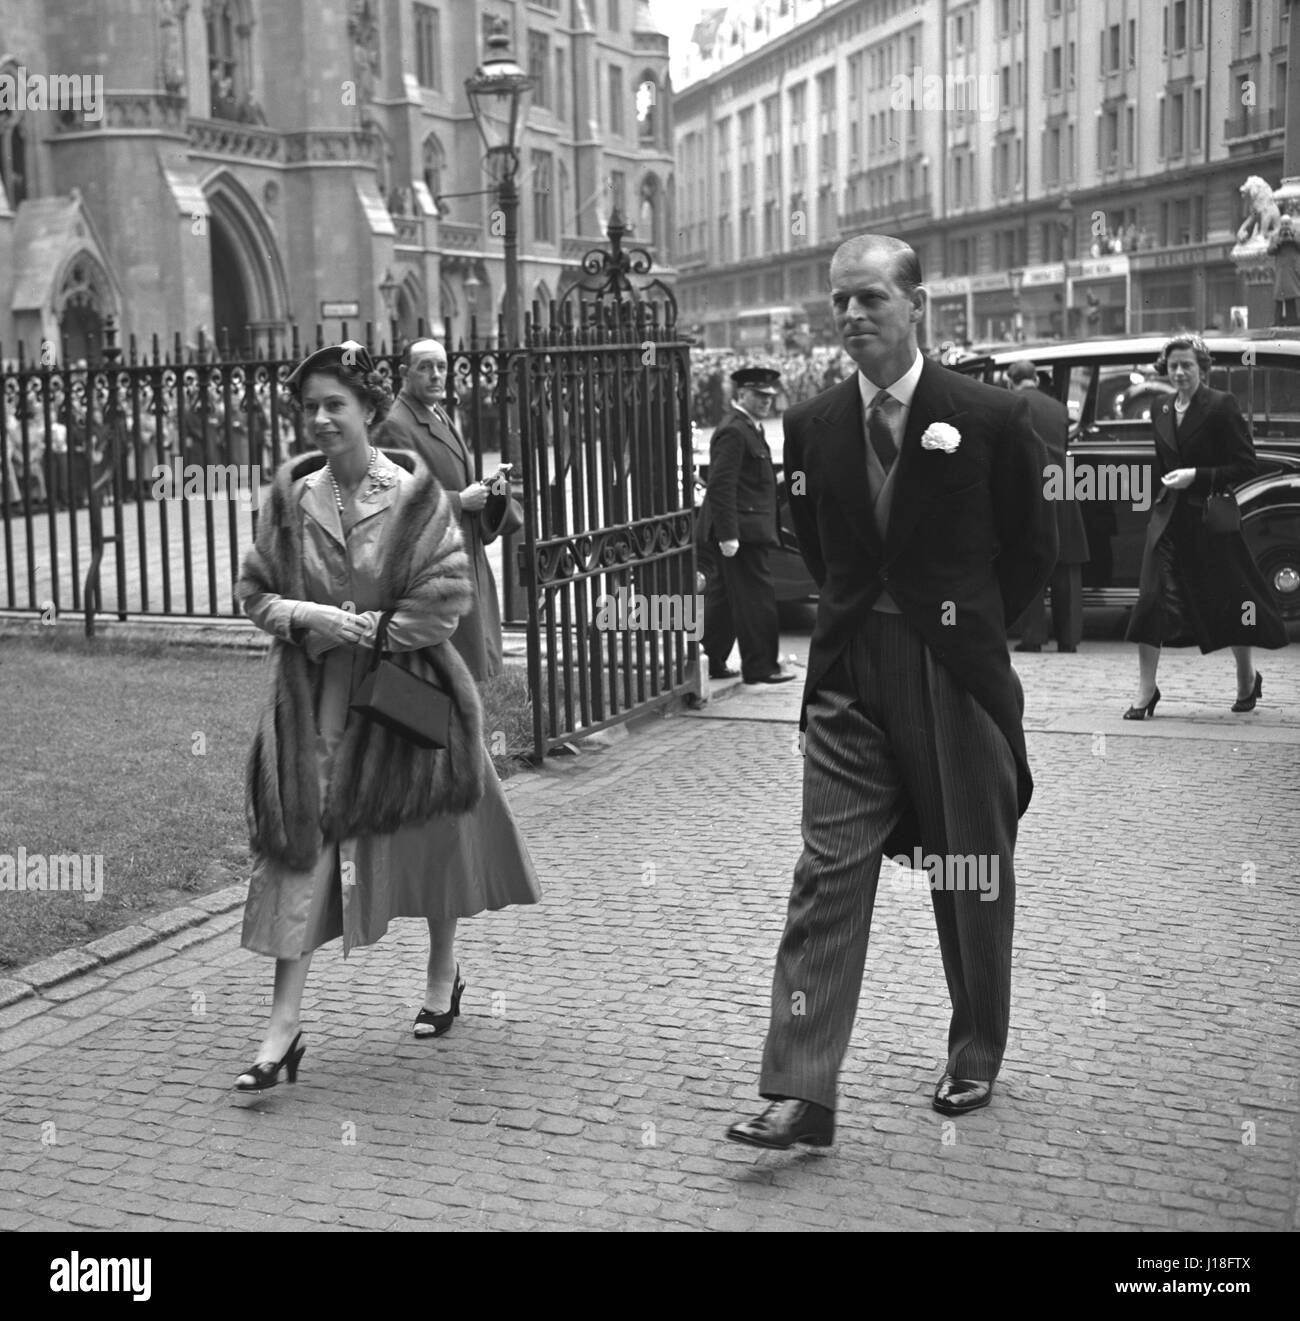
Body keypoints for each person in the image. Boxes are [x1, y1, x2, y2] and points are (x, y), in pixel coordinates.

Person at [726, 234, 1056, 1150]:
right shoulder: (817, 421)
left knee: (966, 869)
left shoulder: (989, 417)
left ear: (918, 305)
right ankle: (801, 1088)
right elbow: (822, 548)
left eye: (870, 297)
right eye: (839, 301)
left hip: (953, 676)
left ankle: (976, 1046)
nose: (852, 315)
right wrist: (859, 620)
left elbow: (1031, 551)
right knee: (827, 872)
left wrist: (963, 629)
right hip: (846, 679)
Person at [233, 341, 540, 1092]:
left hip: (402, 690)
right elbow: (255, 594)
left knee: (437, 827)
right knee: (296, 843)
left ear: (369, 409)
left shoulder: (411, 494)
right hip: (312, 700)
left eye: (334, 403)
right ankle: (283, 1028)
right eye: (309, 406)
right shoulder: (289, 496)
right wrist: (310, 615)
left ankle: (443, 973)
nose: (319, 418)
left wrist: (369, 631)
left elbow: (444, 598)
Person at [1123, 334, 1287, 719]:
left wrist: (1196, 475)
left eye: (1188, 366)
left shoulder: (1220, 406)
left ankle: (1247, 680)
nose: (1180, 373)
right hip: (1167, 521)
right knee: (1150, 602)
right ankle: (1147, 691)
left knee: (1230, 602)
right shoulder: (1161, 406)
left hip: (1208, 520)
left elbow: (1245, 464)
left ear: (1202, 368)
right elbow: (1163, 465)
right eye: (1174, 366)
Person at [374, 338, 522, 680]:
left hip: (465, 552)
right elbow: (394, 500)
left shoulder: (438, 411)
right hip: (435, 563)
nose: (436, 375)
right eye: (425, 367)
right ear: (403, 373)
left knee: (471, 666)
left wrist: (491, 488)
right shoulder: (396, 425)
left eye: (441, 367)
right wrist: (458, 501)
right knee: (446, 670)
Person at [696, 366, 794, 684]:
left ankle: (709, 660)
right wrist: (727, 534)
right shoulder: (734, 431)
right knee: (757, 600)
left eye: (769, 396)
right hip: (740, 532)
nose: (766, 401)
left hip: (744, 529)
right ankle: (760, 667)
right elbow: (721, 486)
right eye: (758, 395)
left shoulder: (750, 428)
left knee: (723, 600)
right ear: (741, 395)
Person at [1006, 360, 1089, 653]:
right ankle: (1069, 639)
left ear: (1009, 380)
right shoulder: (1059, 408)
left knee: (1031, 562)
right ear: (1036, 380)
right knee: (1066, 566)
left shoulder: (1010, 403)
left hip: (1030, 485)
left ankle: (1034, 636)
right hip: (1062, 484)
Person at [1269, 215, 1300, 328]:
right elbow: (1270, 250)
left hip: (1293, 270)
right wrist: (1279, 241)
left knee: (1292, 294)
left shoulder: (1297, 234)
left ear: (1291, 224)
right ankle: (1277, 321)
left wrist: (1292, 238)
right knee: (1279, 295)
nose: (1285, 226)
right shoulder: (1275, 236)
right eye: (1283, 224)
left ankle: (1293, 320)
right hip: (1281, 271)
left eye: (1287, 223)